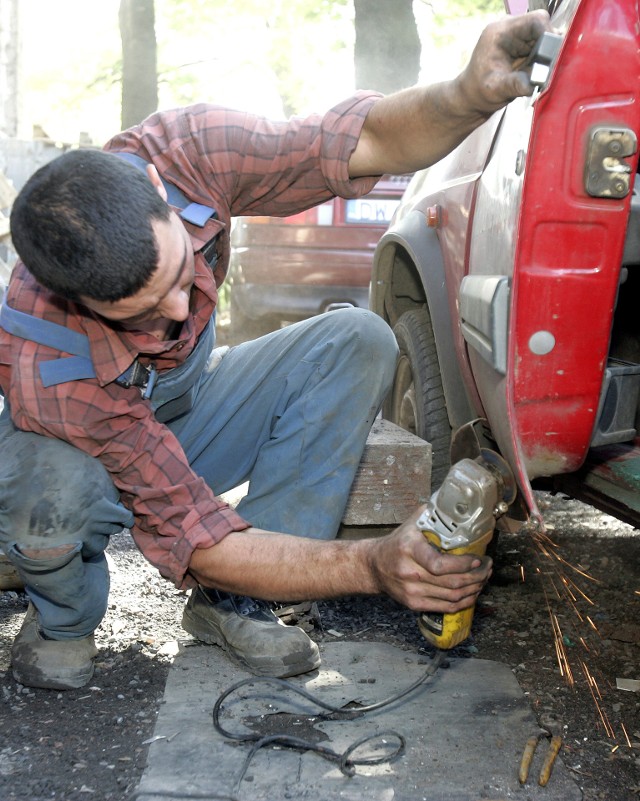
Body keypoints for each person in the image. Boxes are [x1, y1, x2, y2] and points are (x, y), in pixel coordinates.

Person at [0, 10, 551, 690]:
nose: (180, 310)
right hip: (91, 453)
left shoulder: (187, 151)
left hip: (186, 410)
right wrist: (374, 565)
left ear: (153, 189)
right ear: (76, 300)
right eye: (142, 311)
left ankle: (240, 604)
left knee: (356, 340)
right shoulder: (44, 361)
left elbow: (365, 138)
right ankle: (61, 618)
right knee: (48, 492)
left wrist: (469, 92)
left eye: (179, 275)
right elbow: (194, 536)